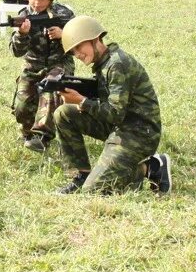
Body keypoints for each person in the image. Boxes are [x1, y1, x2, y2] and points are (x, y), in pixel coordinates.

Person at [53, 15, 171, 195]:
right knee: (63, 113)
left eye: (79, 47)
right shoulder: (103, 63)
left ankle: (151, 167)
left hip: (139, 133)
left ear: (94, 39)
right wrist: (80, 102)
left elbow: (115, 113)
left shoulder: (117, 64)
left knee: (94, 190)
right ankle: (81, 175)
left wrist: (83, 101)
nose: (77, 54)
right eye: (73, 52)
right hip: (121, 125)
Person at [9, 0, 75, 152]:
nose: (36, 2)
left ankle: (42, 136)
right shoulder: (24, 16)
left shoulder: (64, 14)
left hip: (59, 64)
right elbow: (16, 51)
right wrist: (22, 34)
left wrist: (64, 35)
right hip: (32, 65)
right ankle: (28, 132)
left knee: (51, 88)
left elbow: (80, 43)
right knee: (22, 105)